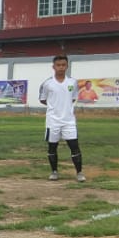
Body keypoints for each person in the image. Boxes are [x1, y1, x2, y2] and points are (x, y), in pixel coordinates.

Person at [39, 54, 85, 182]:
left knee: (74, 146)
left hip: (69, 121)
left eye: (63, 65)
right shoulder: (47, 83)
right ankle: (54, 172)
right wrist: (54, 107)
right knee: (52, 147)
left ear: (67, 66)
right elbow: (43, 99)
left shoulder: (73, 82)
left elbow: (73, 98)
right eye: (58, 65)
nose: (61, 67)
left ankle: (79, 173)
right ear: (53, 67)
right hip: (52, 121)